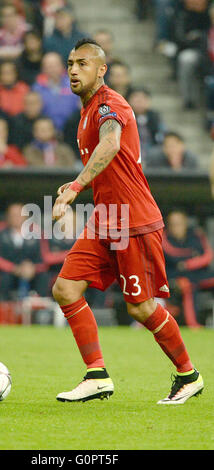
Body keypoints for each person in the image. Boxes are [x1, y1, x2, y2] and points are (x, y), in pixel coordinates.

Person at [51, 38, 203, 404]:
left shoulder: (109, 105)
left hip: (133, 220)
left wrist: (76, 185)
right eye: (71, 63)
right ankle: (97, 375)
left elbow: (111, 144)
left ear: (101, 69)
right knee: (65, 288)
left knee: (140, 307)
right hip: (106, 219)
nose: (73, 69)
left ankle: (189, 374)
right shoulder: (86, 111)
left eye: (83, 63)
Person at [163, 210, 214, 327]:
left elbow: (208, 256)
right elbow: (172, 254)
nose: (176, 227)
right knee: (187, 284)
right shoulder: (164, 237)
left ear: (185, 223)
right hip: (174, 275)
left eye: (179, 223)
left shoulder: (196, 235)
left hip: (198, 273)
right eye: (173, 224)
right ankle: (193, 324)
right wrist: (192, 254)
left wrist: (187, 263)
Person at [0, 202, 49, 300]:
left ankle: (41, 308)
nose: (16, 217)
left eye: (19, 214)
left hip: (32, 271)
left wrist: (33, 268)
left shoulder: (37, 231)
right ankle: (3, 309)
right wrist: (14, 268)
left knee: (44, 276)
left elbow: (44, 256)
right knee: (3, 279)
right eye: (12, 215)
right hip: (8, 272)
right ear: (7, 217)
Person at [32, 51, 79, 131]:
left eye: (55, 66)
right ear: (43, 69)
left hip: (72, 129)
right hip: (46, 131)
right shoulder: (37, 88)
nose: (52, 69)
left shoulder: (75, 84)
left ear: (62, 66)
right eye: (49, 66)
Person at [127, 87, 166, 167]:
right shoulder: (125, 117)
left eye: (143, 98)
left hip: (152, 153)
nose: (139, 102)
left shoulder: (155, 118)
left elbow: (162, 136)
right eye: (136, 98)